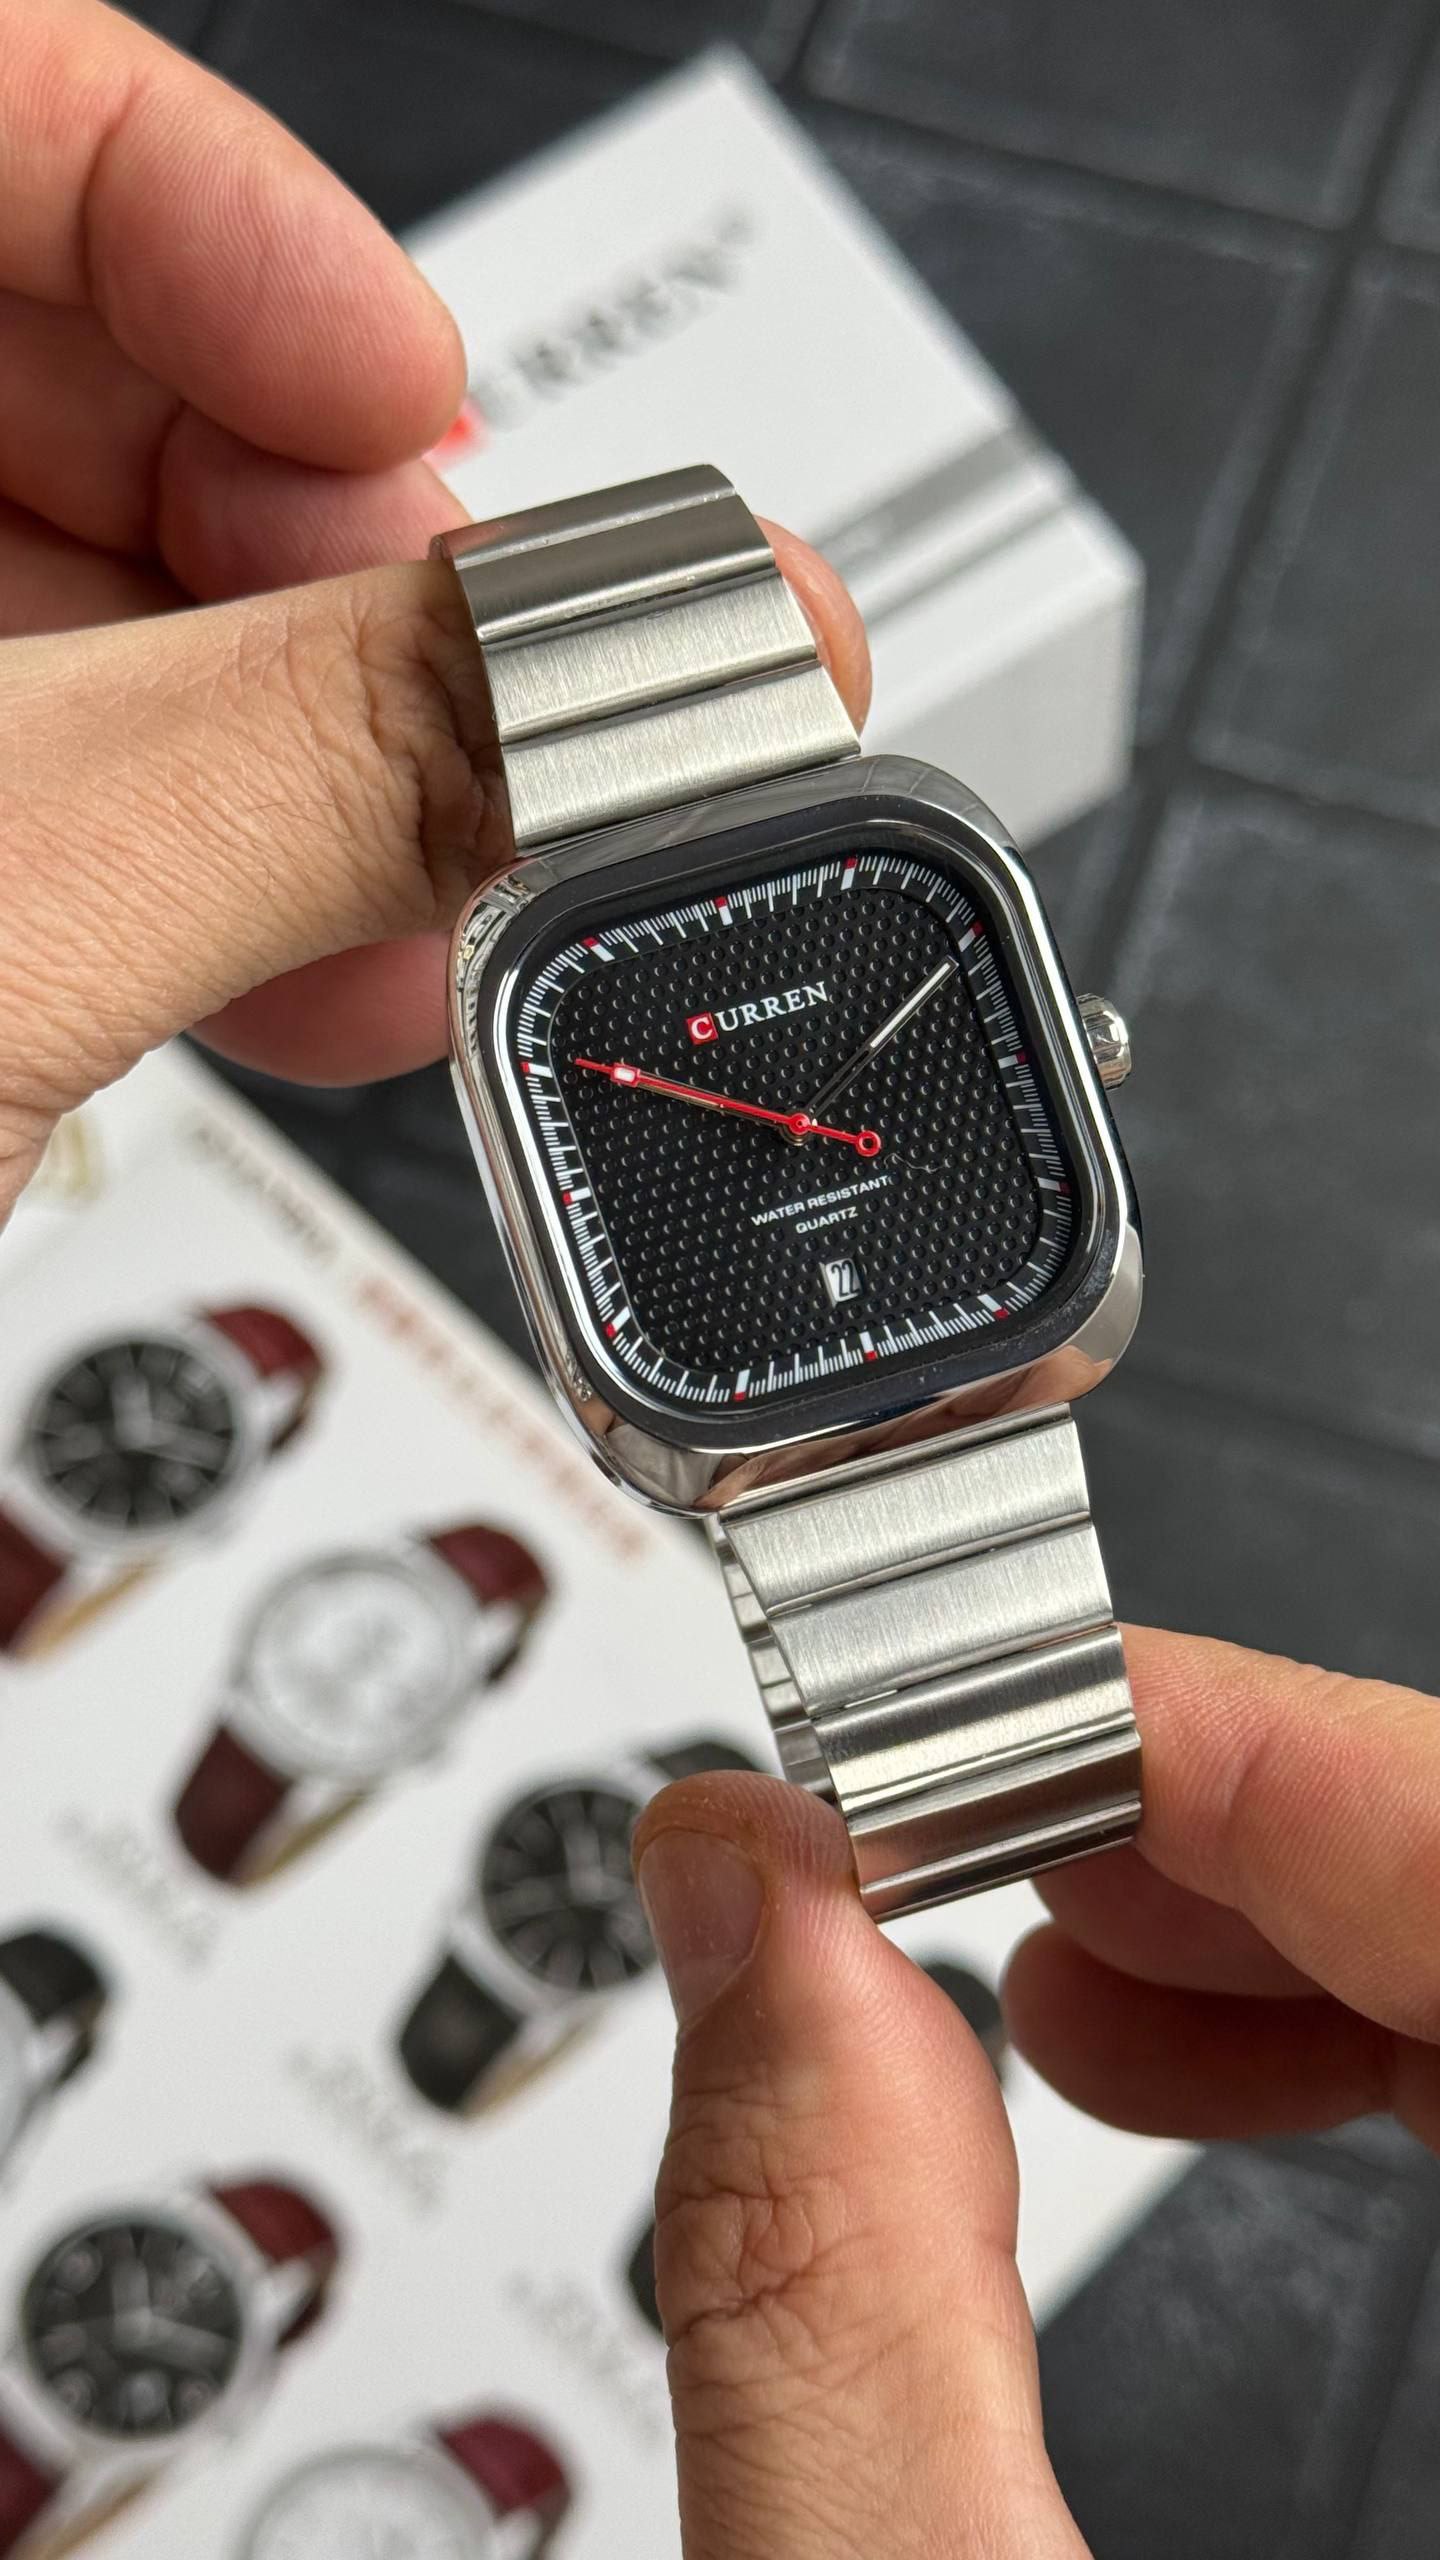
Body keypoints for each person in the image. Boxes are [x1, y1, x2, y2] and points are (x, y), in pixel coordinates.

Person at [2, 9, 1435, 2551]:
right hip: (833, 1368)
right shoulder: (695, 1000)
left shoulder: (891, 983)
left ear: (1052, 1046)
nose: (805, 1136)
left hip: (907, 1371)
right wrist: (426, 719)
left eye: (849, 1105)